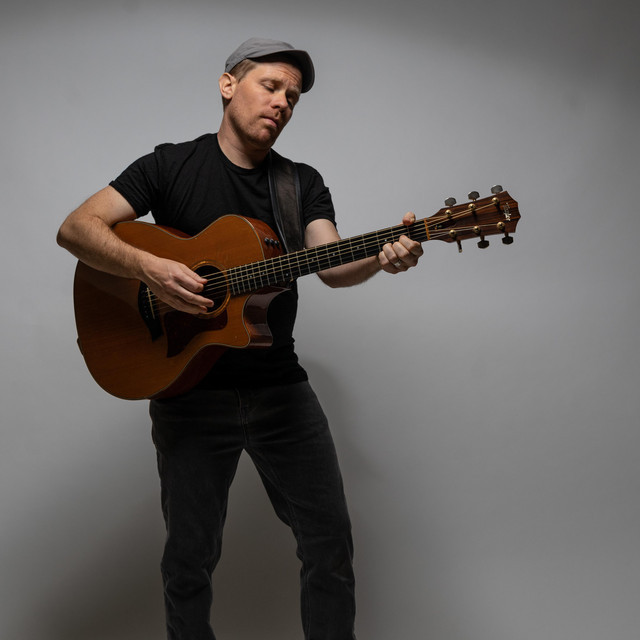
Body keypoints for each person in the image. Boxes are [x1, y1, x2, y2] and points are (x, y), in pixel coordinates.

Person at [57, 37, 423, 640]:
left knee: (329, 544)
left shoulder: (300, 183)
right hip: (187, 391)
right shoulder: (168, 165)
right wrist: (150, 268)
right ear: (228, 85)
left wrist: (384, 257)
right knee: (189, 558)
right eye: (270, 86)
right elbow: (77, 228)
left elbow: (331, 264)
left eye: (293, 97)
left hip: (280, 390)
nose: (282, 103)